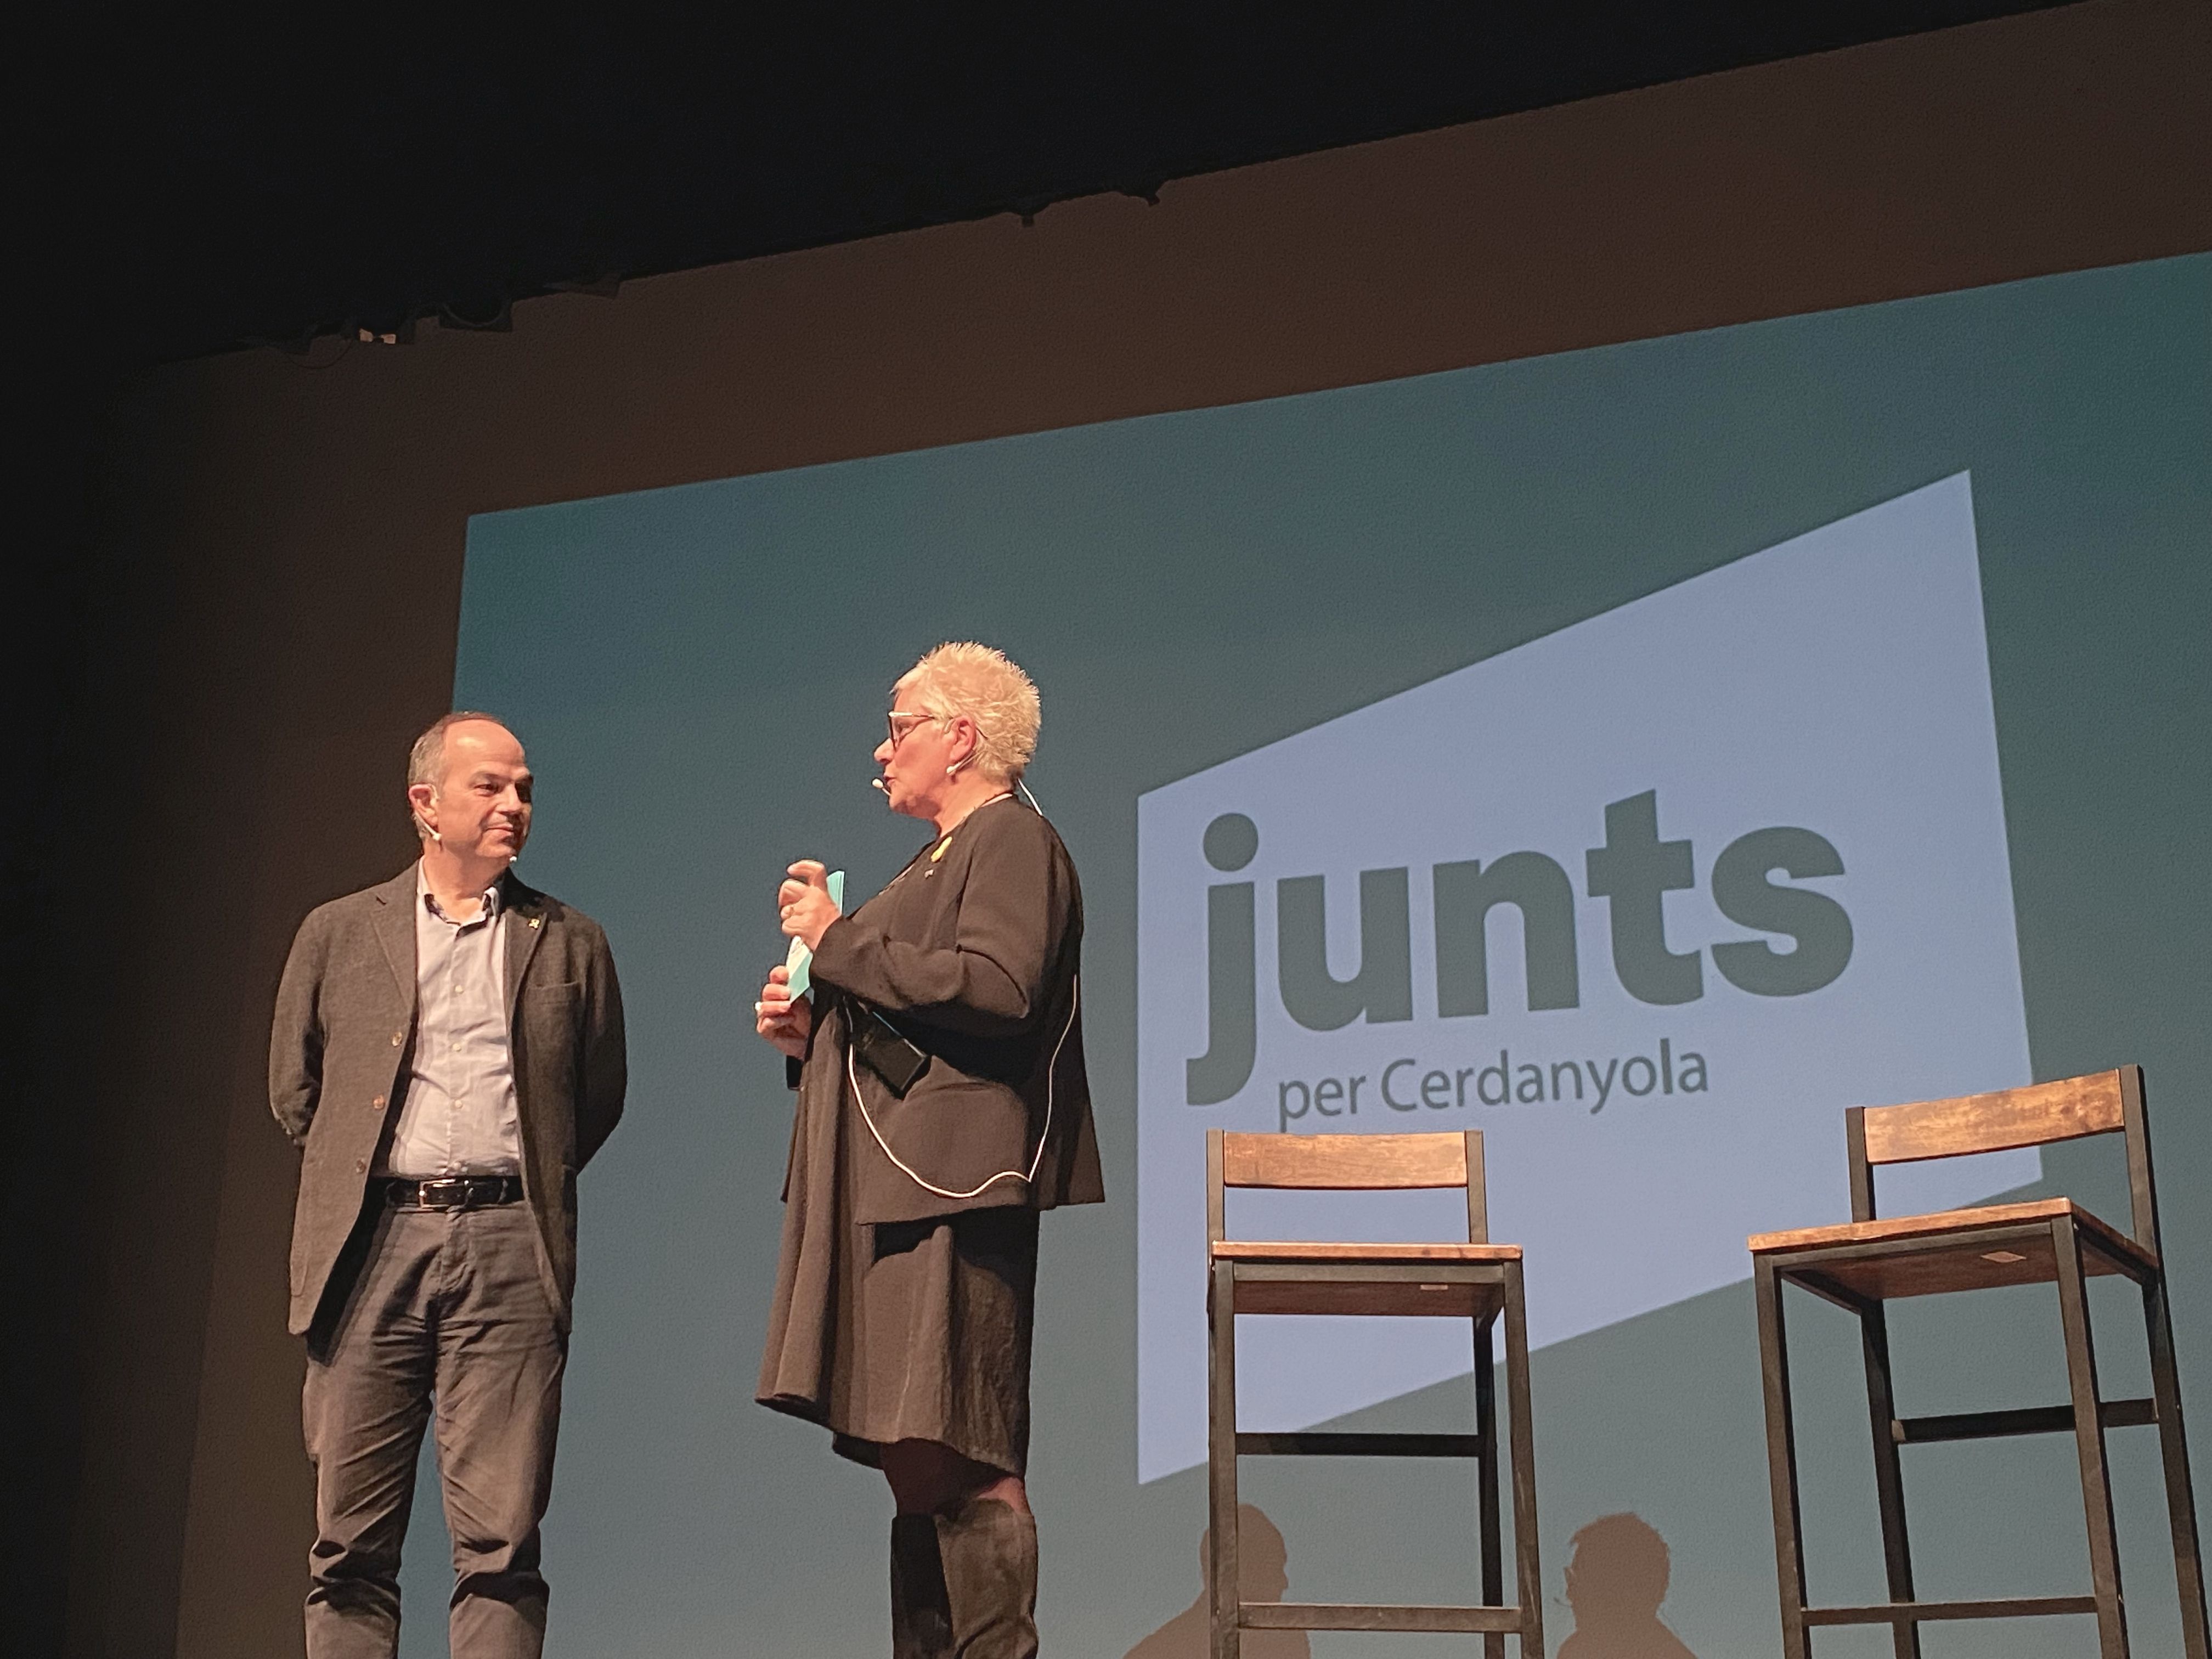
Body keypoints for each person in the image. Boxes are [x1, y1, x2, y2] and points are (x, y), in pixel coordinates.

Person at [755, 642, 1103, 1658]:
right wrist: (811, 1029)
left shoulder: (1010, 839)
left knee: (969, 1444)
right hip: (888, 1184)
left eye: (900, 725)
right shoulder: (936, 856)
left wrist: (837, 940)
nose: (883, 747)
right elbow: (901, 1009)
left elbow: (999, 987)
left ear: (960, 736)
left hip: (950, 1183)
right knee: (916, 1454)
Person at [269, 712, 625, 1659]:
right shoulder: (340, 932)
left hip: (511, 1248)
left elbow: (593, 1098)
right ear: (426, 804)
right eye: (492, 787)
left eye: (525, 790)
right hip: (371, 1244)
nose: (515, 806)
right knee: (349, 1548)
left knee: (502, 1548)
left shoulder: (569, 942)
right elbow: (296, 1090)